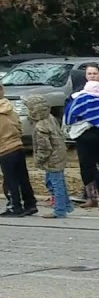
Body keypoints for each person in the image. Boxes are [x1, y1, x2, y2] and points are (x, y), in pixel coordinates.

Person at [63, 74, 99, 208]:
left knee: (86, 165)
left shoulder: (79, 100)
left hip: (84, 137)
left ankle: (91, 197)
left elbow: (69, 116)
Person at [24, 94, 74, 219]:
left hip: (52, 160)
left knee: (55, 184)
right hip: (59, 155)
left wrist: (39, 160)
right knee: (56, 182)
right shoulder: (50, 118)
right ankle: (66, 205)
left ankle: (60, 210)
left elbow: (45, 148)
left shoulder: (41, 127)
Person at [0, 83, 37, 217]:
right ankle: (30, 203)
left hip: (4, 148)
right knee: (22, 177)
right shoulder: (9, 108)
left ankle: (15, 206)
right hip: (17, 144)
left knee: (10, 180)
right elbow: (19, 125)